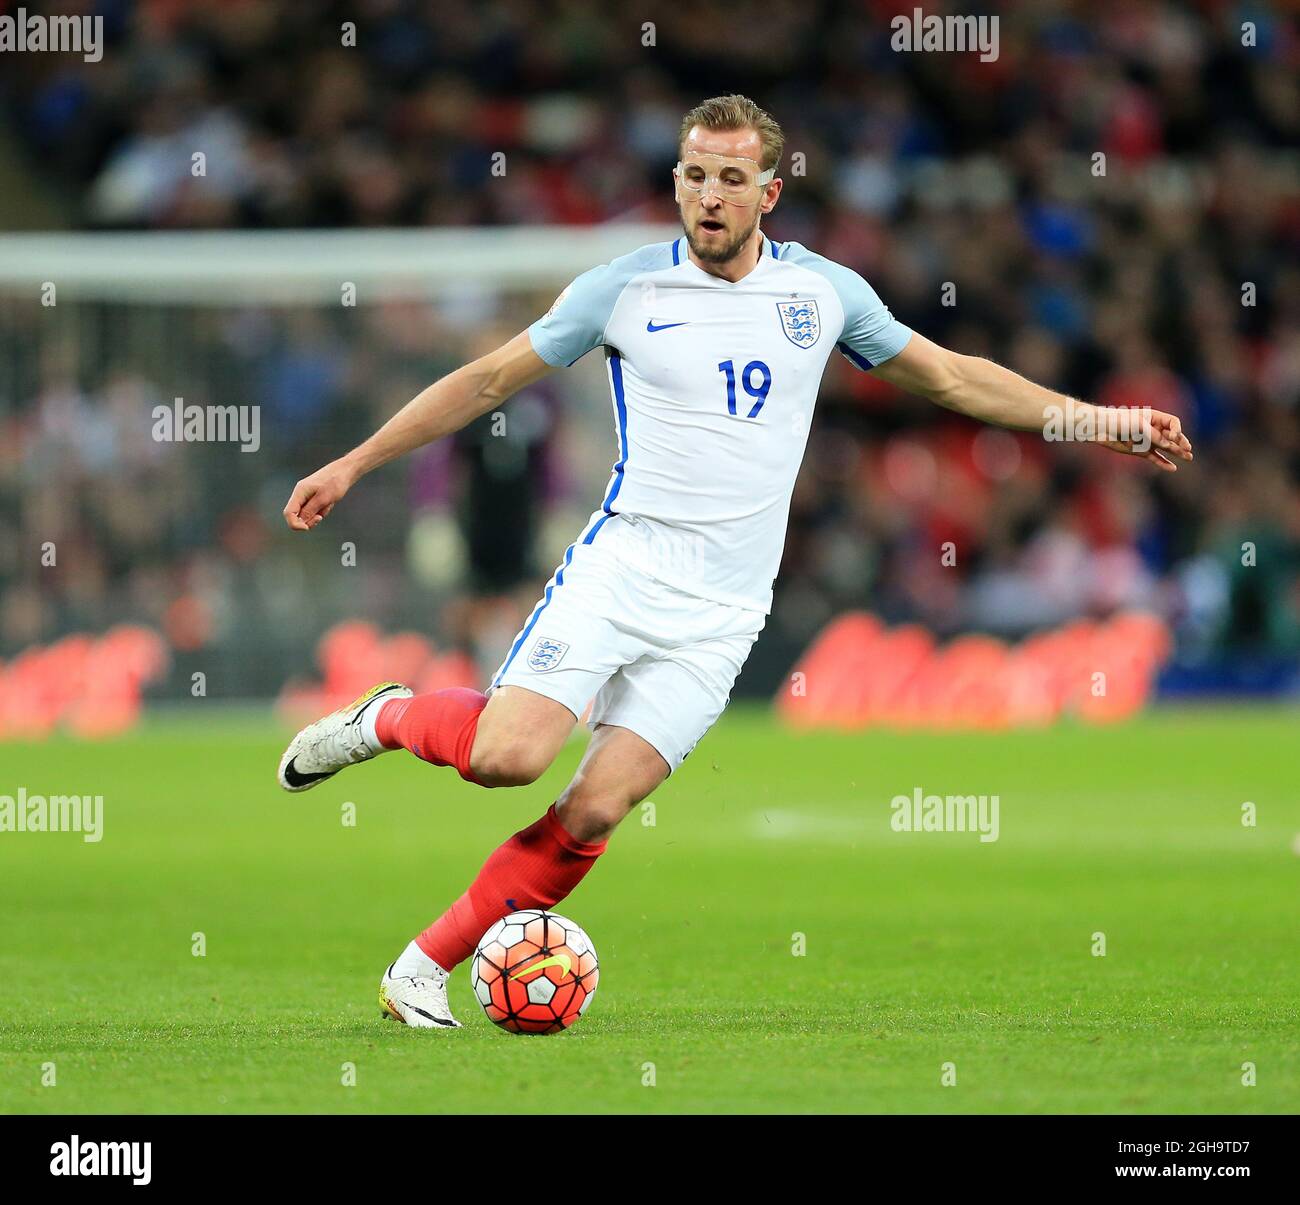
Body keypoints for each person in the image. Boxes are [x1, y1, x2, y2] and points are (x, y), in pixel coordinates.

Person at [278, 95, 1193, 1028]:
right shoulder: (622, 289)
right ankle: (387, 716)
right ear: (676, 181)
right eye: (693, 175)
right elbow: (484, 381)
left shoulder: (823, 294)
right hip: (622, 569)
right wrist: (354, 463)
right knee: (508, 759)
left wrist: (1102, 422)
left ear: (769, 191)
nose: (708, 196)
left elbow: (956, 377)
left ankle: (419, 971)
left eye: (729, 178)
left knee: (594, 810)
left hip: (723, 615)